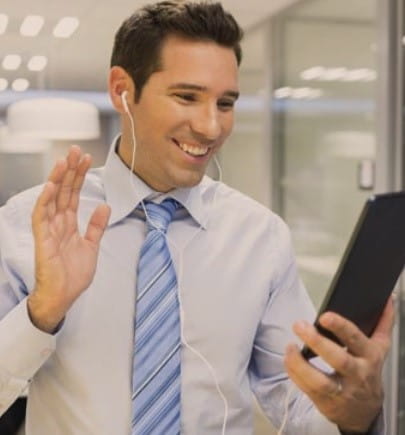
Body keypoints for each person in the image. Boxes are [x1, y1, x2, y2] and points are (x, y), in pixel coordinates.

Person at [0, 1, 393, 434]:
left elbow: (294, 396)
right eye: (187, 96)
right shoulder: (31, 224)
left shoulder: (260, 237)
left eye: (225, 103)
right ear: (122, 90)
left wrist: (355, 411)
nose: (210, 127)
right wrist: (42, 312)